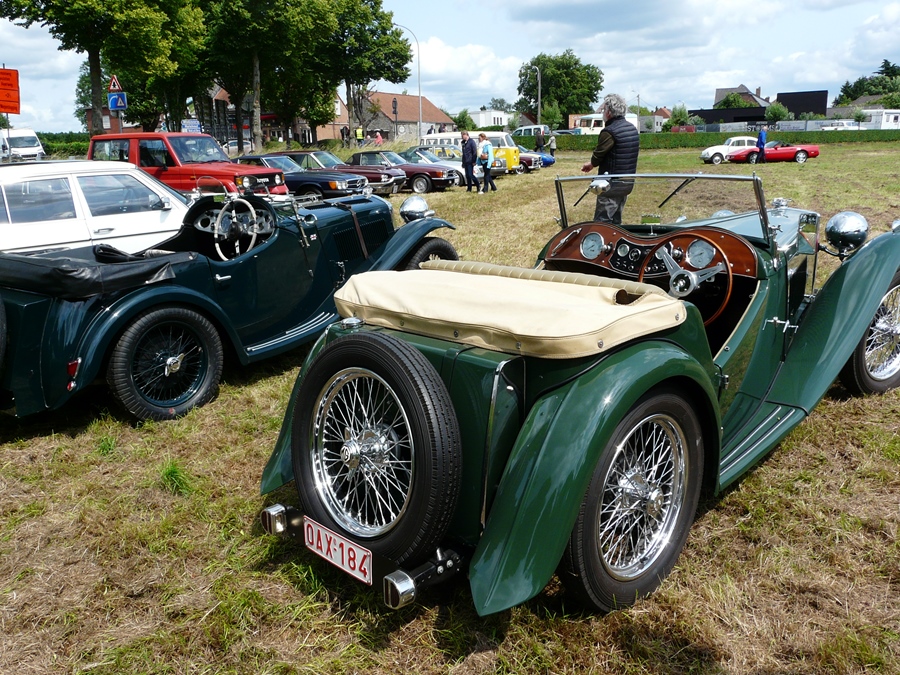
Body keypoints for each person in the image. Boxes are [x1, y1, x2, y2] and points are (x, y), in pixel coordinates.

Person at [580, 93, 640, 224]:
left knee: (603, 223)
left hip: (610, 186)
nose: (602, 113)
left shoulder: (609, 131)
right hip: (627, 183)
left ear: (608, 112)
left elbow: (598, 155)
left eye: (603, 110)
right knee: (617, 222)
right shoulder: (632, 129)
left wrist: (591, 163)